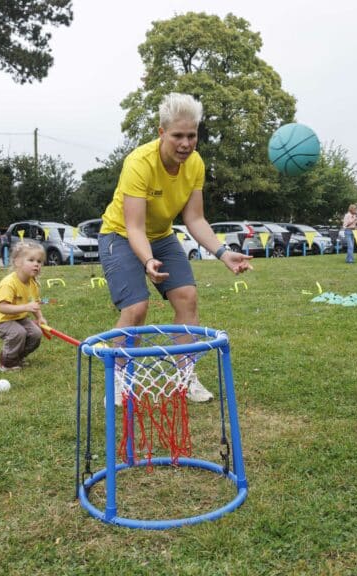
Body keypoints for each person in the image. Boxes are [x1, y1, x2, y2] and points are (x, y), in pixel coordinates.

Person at [98, 92, 253, 403]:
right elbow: (135, 227)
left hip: (161, 235)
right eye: (178, 136)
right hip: (120, 234)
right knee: (136, 307)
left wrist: (222, 253)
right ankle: (118, 379)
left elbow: (195, 218)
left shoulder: (195, 164)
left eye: (192, 135)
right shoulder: (139, 163)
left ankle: (186, 377)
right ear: (161, 133)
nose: (185, 143)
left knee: (187, 297)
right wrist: (147, 261)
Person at [0, 241, 47, 372]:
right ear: (18, 262)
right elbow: (3, 308)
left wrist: (40, 318)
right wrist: (25, 308)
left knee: (36, 334)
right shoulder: (8, 283)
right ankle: (6, 363)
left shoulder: (33, 283)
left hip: (17, 316)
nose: (36, 264)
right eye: (31, 260)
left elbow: (35, 304)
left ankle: (16, 358)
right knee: (18, 333)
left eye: (39, 261)